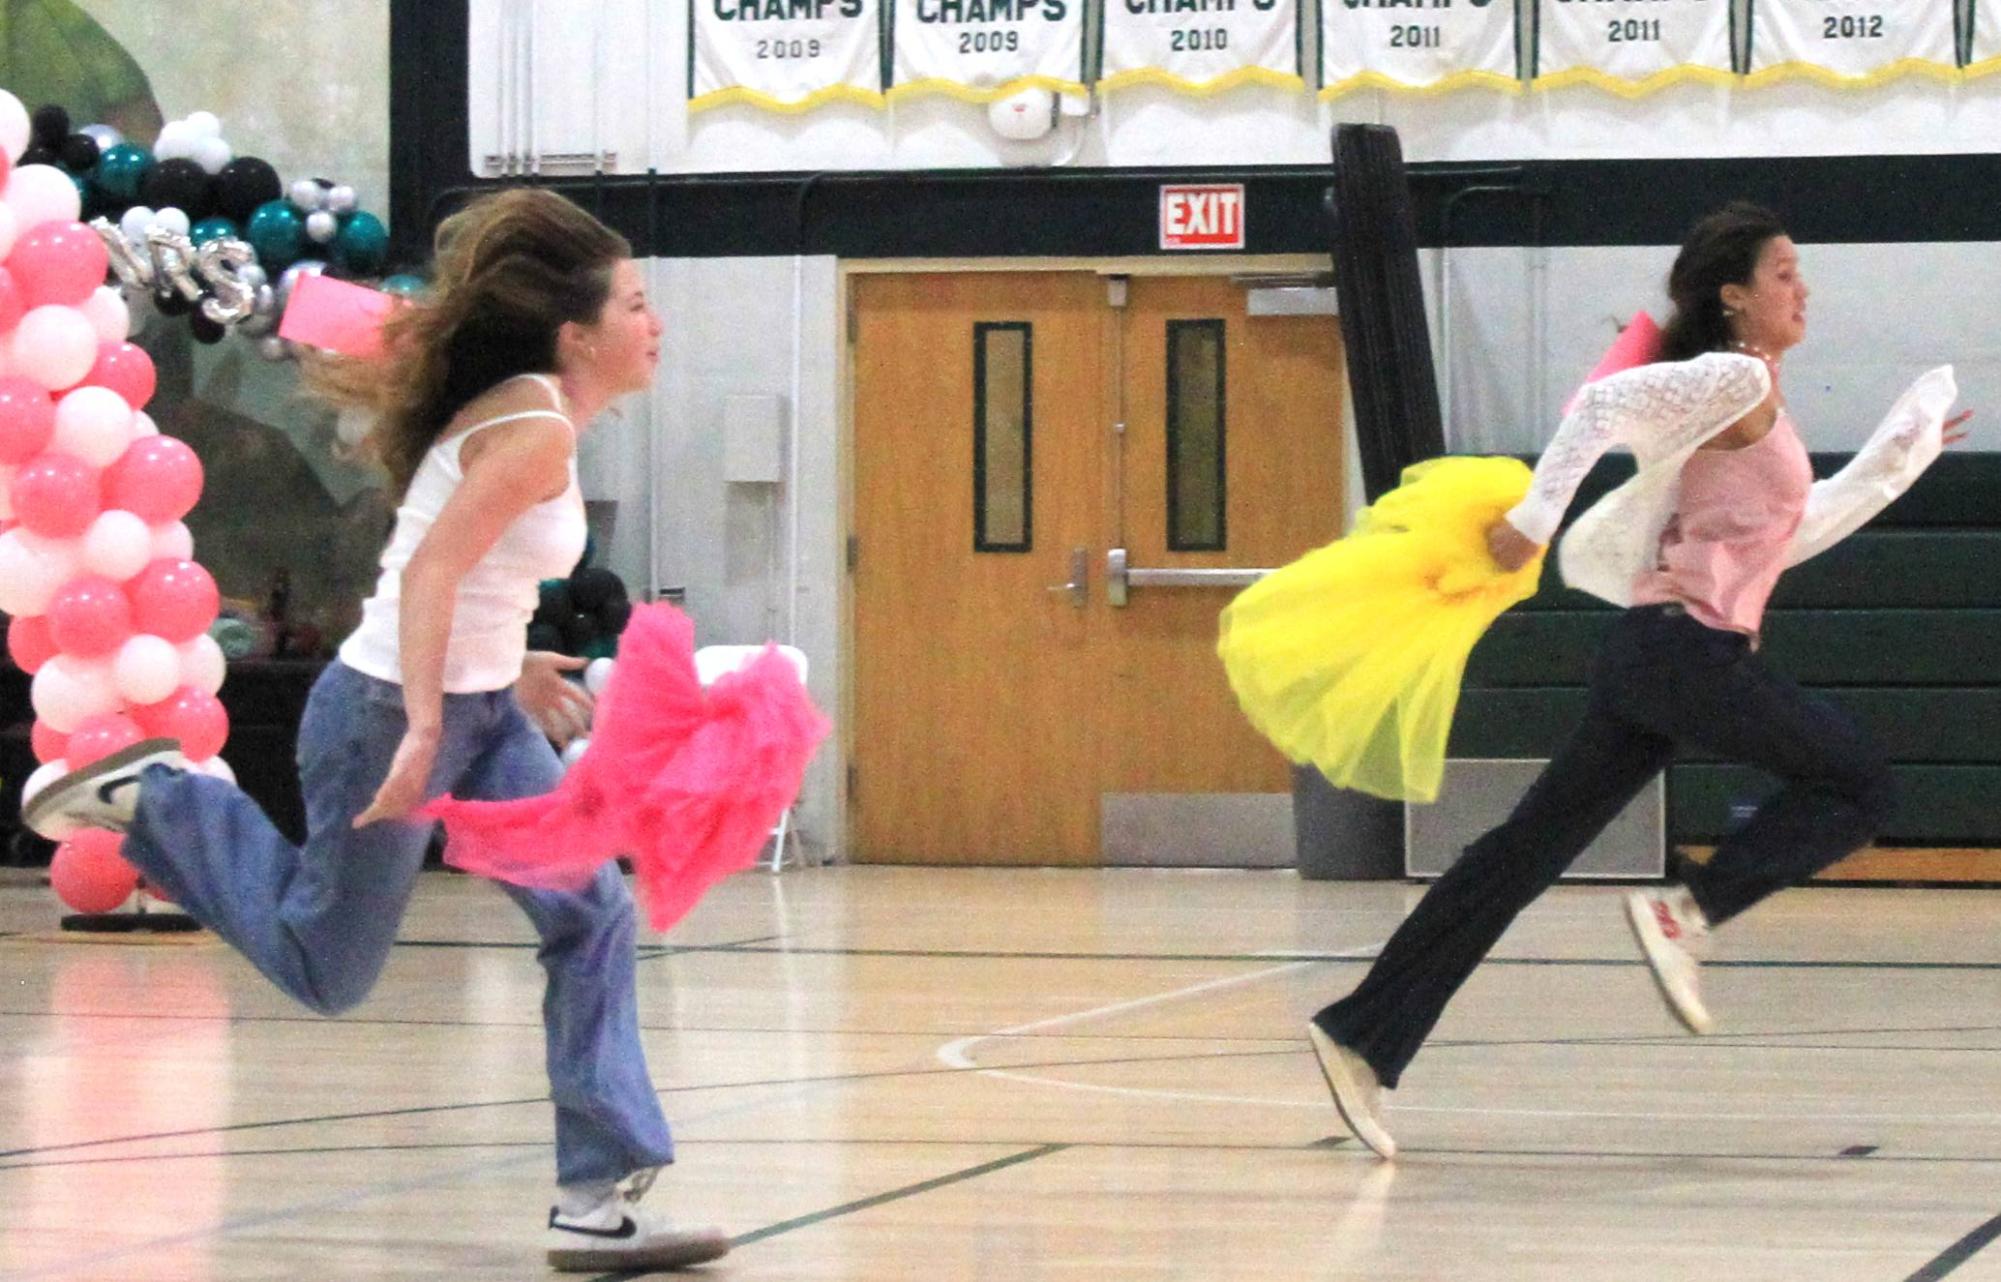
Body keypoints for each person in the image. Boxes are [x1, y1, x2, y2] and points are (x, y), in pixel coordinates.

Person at [22, 188, 729, 1270]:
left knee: (591, 916)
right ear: (577, 335)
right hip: (391, 712)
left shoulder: (535, 405)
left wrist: (510, 666)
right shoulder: (538, 427)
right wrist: (427, 724)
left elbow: (460, 570)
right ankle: (160, 798)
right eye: (637, 304)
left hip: (481, 712)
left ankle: (596, 1198)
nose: (657, 322)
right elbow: (436, 565)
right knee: (326, 968)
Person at [1304, 201, 1971, 1160]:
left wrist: (1892, 463)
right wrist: (1534, 518)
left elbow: (1799, 528)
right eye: (1783, 272)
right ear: (1733, 296)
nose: (1803, 287)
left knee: (1515, 859)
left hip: (1657, 657)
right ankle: (1684, 910)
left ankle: (1362, 1033)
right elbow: (1601, 406)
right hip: (1679, 653)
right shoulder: (1733, 376)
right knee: (1860, 783)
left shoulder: (1756, 399)